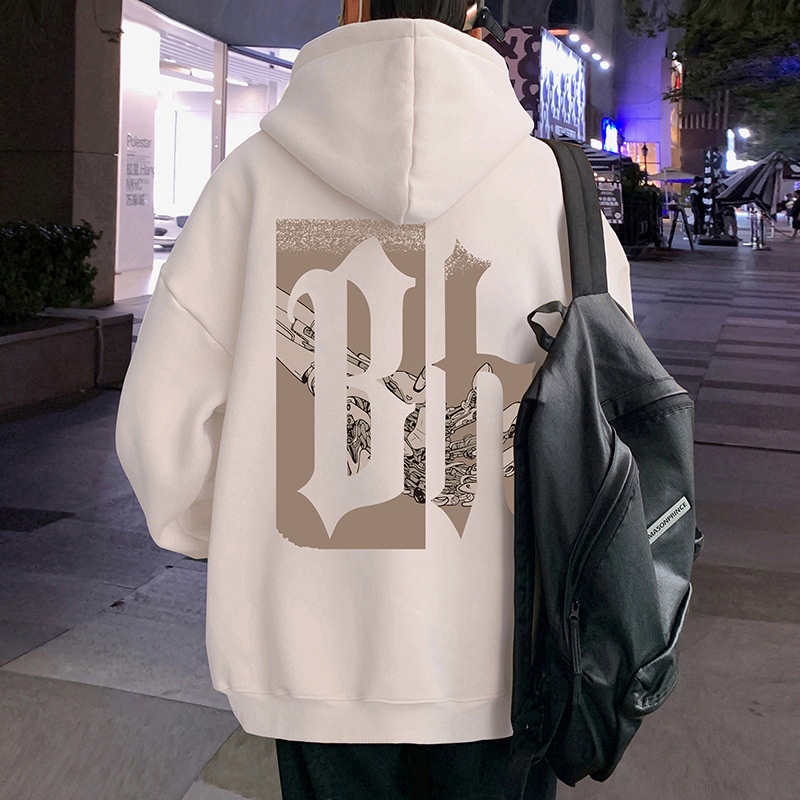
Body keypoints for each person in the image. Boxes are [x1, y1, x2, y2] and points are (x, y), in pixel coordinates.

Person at [115, 1, 633, 798]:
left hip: (311, 650)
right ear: (473, 15)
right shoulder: (560, 198)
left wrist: (235, 529)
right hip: (515, 647)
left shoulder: (249, 182)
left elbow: (162, 423)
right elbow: (615, 419)